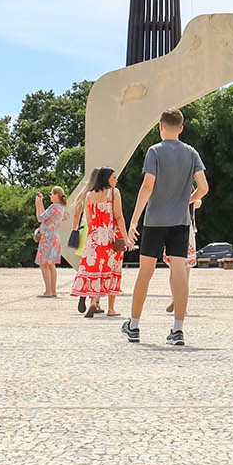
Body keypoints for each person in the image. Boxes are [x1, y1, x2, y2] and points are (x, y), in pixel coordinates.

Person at [123, 109, 207, 346]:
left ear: (160, 127)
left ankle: (134, 326)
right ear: (181, 128)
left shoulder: (154, 151)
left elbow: (147, 186)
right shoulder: (191, 153)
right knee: (179, 272)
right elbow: (204, 188)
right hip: (181, 222)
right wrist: (187, 200)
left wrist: (133, 221)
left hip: (155, 221)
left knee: (145, 272)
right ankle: (178, 330)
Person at [67, 169, 123, 317]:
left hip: (93, 235)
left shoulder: (88, 194)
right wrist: (125, 237)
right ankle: (108, 307)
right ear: (106, 178)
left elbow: (88, 218)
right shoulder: (113, 192)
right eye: (113, 177)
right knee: (110, 269)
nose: (116, 180)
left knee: (94, 269)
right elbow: (118, 216)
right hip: (109, 234)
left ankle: (92, 301)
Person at [34, 188, 69, 298]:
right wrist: (41, 203)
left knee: (44, 264)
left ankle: (48, 291)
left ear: (56, 195)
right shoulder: (61, 207)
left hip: (47, 238)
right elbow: (45, 216)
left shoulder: (54, 207)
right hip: (55, 237)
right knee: (51, 264)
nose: (50, 196)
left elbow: (40, 218)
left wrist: (38, 204)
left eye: (51, 194)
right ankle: (52, 291)